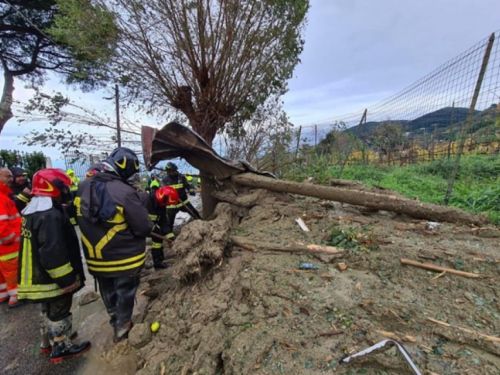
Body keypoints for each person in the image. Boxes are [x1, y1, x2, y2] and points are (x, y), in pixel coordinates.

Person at [74, 147, 152, 343]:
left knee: (107, 291)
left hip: (95, 259)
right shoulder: (124, 191)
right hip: (126, 258)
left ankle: (114, 320)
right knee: (125, 292)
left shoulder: (82, 187)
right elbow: (144, 227)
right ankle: (123, 327)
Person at [17, 168, 90, 363]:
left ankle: (47, 342)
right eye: (63, 186)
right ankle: (61, 346)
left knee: (47, 308)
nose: (67, 189)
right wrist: (66, 280)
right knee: (59, 309)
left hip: (38, 275)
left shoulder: (35, 210)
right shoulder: (49, 215)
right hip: (52, 277)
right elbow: (53, 250)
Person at [139, 186, 179, 270]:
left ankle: (158, 262)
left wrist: (171, 238)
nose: (168, 206)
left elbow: (164, 222)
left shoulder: (160, 205)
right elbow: (137, 217)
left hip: (148, 225)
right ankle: (137, 265)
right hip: (136, 224)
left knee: (158, 236)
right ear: (164, 198)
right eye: (168, 204)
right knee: (137, 243)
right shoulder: (144, 199)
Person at [161, 162, 202, 241]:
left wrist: (191, 190)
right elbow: (163, 192)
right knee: (169, 222)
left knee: (195, 213)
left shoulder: (181, 178)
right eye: (169, 171)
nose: (171, 173)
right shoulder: (165, 180)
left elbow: (187, 186)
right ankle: (171, 239)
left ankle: (202, 224)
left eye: (173, 171)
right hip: (172, 205)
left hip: (184, 202)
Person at [0, 168, 22, 308]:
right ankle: (16, 296)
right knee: (13, 272)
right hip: (9, 246)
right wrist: (10, 238)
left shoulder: (4, 195)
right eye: (8, 177)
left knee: (3, 273)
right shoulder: (1, 198)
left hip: (4, 246)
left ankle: (3, 294)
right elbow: (1, 223)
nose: (11, 180)